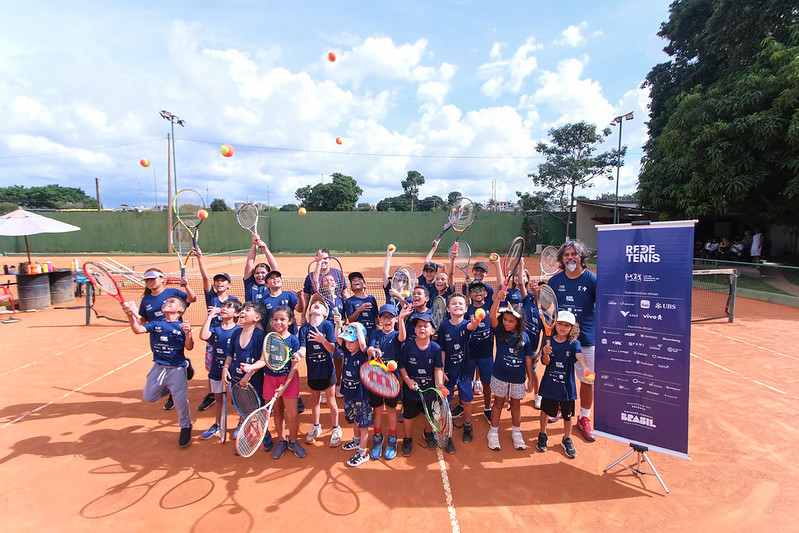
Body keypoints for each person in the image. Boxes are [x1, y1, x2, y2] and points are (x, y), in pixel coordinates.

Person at [122, 295, 194, 447]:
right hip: (159, 367)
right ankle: (172, 387)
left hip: (177, 368)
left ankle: (185, 426)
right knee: (148, 397)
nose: (166, 303)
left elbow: (189, 347)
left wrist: (188, 334)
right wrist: (130, 315)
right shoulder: (155, 323)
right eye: (166, 302)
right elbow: (138, 329)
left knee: (179, 400)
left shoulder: (182, 326)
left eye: (171, 302)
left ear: (181, 309)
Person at [547, 240, 597, 442]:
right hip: (561, 340)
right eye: (566, 255)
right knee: (560, 375)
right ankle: (560, 406)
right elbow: (544, 307)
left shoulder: (592, 280)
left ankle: (584, 417)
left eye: (574, 254)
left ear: (581, 257)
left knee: (587, 380)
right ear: (561, 259)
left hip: (586, 339)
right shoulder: (554, 282)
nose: (570, 258)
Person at [242, 305, 305, 459]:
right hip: (270, 380)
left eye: (282, 319)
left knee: (292, 415)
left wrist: (284, 387)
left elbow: (294, 368)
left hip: (288, 381)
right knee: (277, 413)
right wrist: (251, 368)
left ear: (290, 321)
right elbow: (263, 360)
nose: (278, 322)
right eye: (275, 319)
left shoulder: (293, 340)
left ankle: (294, 441)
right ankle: (282, 441)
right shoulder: (268, 338)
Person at [136, 268, 196, 411]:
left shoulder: (172, 294)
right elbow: (143, 319)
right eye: (147, 280)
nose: (150, 282)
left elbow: (192, 299)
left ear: (162, 278)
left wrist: (186, 285)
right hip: (156, 335)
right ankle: (173, 385)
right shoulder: (146, 299)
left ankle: (173, 394)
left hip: (175, 334)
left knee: (174, 358)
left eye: (153, 278)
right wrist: (134, 317)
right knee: (162, 358)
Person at [535, 311, 590, 459]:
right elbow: (546, 362)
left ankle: (567, 438)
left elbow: (579, 354)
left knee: (568, 415)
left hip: (567, 387)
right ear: (555, 324)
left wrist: (584, 367)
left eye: (567, 325)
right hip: (549, 385)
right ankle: (543, 434)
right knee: (545, 411)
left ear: (572, 328)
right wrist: (545, 353)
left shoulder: (574, 343)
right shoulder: (549, 341)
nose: (563, 328)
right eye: (560, 324)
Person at [486, 292, 534, 451]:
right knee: (498, 403)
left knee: (515, 405)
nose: (507, 323)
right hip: (500, 375)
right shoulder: (500, 332)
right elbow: (492, 317)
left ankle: (517, 432)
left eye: (511, 321)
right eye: (505, 320)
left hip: (518, 378)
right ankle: (493, 433)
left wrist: (531, 377)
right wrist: (498, 300)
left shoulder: (525, 337)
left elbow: (528, 358)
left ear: (518, 322)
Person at [366, 303, 412, 460]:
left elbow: (402, 337)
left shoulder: (397, 335)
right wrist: (371, 351)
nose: (387, 320)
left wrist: (402, 319)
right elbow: (369, 349)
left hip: (391, 381)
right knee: (377, 410)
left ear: (395, 319)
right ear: (379, 320)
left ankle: (392, 439)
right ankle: (378, 438)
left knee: (391, 410)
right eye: (384, 317)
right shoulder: (375, 333)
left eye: (390, 317)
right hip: (376, 379)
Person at [196, 246, 239, 413]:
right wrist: (200, 257)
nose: (219, 283)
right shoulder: (211, 297)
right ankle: (212, 395)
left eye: (223, 281)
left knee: (230, 364)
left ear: (229, 284)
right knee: (211, 366)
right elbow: (205, 277)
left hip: (228, 336)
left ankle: (233, 393)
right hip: (213, 336)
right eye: (217, 281)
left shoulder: (234, 300)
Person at [222, 301, 268, 452]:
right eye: (242, 309)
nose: (242, 312)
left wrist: (247, 376)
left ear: (256, 318)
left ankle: (264, 435)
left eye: (247, 310)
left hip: (254, 381)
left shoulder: (261, 336)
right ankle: (247, 437)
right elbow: (230, 354)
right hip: (236, 379)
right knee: (242, 409)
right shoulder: (236, 332)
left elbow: (262, 360)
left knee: (258, 410)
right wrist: (225, 368)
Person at [298, 293, 342, 448]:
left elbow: (331, 349)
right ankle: (316, 426)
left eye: (320, 304)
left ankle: (336, 428)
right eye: (313, 304)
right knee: (315, 401)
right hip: (313, 372)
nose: (316, 304)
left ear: (325, 312)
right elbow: (303, 348)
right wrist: (298, 355)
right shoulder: (304, 329)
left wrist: (322, 340)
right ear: (309, 311)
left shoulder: (328, 326)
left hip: (328, 371)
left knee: (331, 401)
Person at [437, 293, 480, 452]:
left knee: (467, 401)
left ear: (466, 308)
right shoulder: (443, 326)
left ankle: (468, 426)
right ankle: (446, 434)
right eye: (454, 304)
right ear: (448, 308)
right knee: (446, 403)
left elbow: (470, 327)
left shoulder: (467, 324)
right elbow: (441, 350)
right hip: (449, 371)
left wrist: (475, 324)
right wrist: (441, 370)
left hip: (465, 371)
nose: (458, 306)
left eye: (461, 304)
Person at [397, 311, 444, 456]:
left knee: (428, 414)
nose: (422, 329)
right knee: (408, 416)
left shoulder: (435, 348)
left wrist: (440, 383)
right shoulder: (407, 346)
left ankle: (428, 433)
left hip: (429, 390)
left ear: (432, 330)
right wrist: (407, 380)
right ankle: (407, 438)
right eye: (418, 326)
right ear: (415, 329)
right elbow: (402, 367)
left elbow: (438, 368)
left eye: (425, 326)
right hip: (411, 391)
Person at [198, 300, 242, 440]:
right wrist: (210, 317)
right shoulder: (215, 327)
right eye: (223, 306)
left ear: (236, 313)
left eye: (229, 307)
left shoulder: (238, 331)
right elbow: (203, 336)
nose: (224, 309)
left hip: (232, 371)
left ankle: (241, 423)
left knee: (237, 399)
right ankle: (217, 424)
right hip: (216, 369)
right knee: (218, 398)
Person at [338, 322, 373, 467]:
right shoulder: (347, 352)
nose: (348, 344)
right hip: (349, 394)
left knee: (363, 424)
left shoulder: (363, 354)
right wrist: (337, 323)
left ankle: (363, 452)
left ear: (359, 341)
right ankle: (356, 440)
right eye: (347, 342)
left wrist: (357, 326)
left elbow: (364, 345)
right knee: (354, 420)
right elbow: (338, 338)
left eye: (352, 342)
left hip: (361, 397)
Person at [464, 280, 494, 421]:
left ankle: (487, 408)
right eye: (474, 289)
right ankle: (463, 405)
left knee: (487, 383)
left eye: (481, 289)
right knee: (466, 380)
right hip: (469, 353)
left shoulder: (489, 306)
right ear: (469, 294)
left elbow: (499, 288)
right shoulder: (466, 309)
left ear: (486, 293)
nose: (477, 292)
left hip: (486, 354)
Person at [242, 233, 280, 327]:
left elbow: (275, 268)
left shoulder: (272, 285)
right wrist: (254, 244)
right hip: (251, 323)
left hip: (268, 323)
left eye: (263, 273)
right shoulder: (250, 283)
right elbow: (250, 262)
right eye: (257, 273)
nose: (260, 275)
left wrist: (265, 249)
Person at [345, 271, 379, 336]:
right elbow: (351, 320)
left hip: (372, 331)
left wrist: (377, 327)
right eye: (353, 280)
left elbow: (375, 316)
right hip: (358, 333)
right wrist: (358, 310)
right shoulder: (349, 301)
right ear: (351, 288)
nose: (356, 281)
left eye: (359, 279)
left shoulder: (371, 298)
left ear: (364, 285)